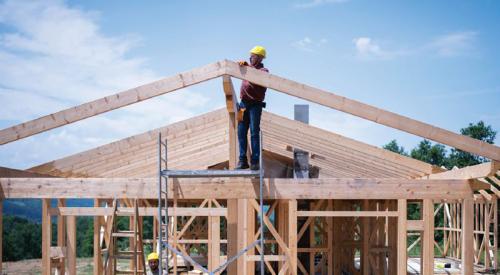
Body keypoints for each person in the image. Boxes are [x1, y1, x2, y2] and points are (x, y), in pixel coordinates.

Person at [236, 46, 269, 170]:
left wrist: (247, 68)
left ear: (260, 58)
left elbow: (258, 77)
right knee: (241, 132)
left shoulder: (264, 71)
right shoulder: (247, 68)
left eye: (253, 56)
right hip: (243, 104)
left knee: (254, 132)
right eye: (250, 55)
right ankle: (242, 160)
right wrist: (241, 67)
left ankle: (255, 162)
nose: (250, 57)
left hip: (255, 105)